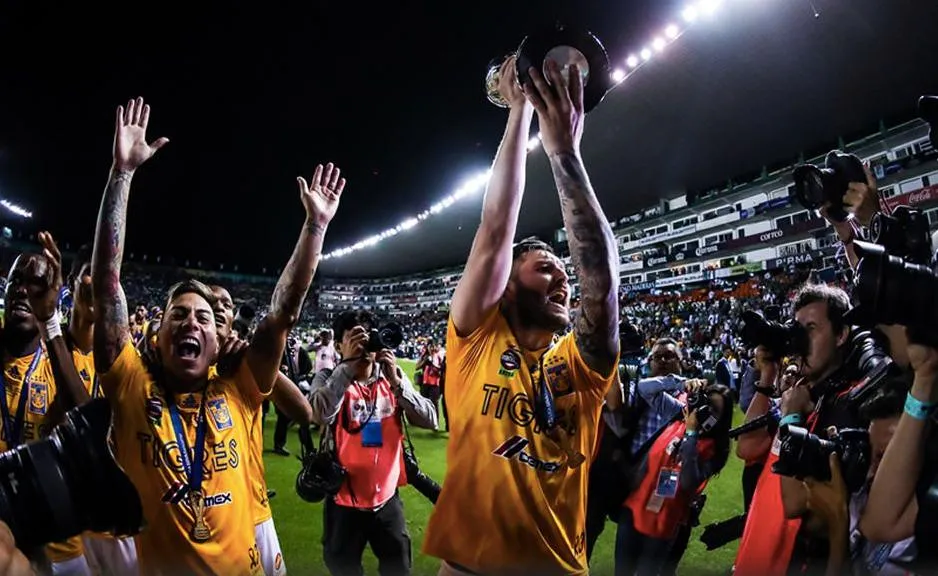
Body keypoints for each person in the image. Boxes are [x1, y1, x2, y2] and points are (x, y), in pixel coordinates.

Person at [91, 96, 343, 575]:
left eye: (204, 318)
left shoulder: (238, 386)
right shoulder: (131, 386)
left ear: (217, 337)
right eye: (178, 316)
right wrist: (121, 173)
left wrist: (315, 226)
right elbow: (107, 287)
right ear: (156, 335)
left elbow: (282, 312)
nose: (191, 323)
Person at [423, 56, 620, 574]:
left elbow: (600, 283)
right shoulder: (476, 342)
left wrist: (564, 154)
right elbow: (494, 231)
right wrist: (518, 114)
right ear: (506, 286)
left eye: (562, 270)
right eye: (544, 268)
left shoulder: (579, 368)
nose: (563, 279)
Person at [309, 310, 438, 576]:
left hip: (387, 501)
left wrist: (397, 383)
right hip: (343, 502)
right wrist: (346, 368)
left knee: (398, 569)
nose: (364, 343)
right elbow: (318, 414)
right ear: (337, 345)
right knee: (343, 568)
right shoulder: (327, 378)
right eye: (355, 336)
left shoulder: (392, 378)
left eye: (368, 336)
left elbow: (430, 419)